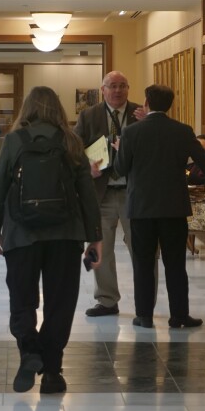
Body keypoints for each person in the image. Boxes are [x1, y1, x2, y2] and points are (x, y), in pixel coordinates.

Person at [0, 86, 102, 395]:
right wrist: (95, 238)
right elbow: (87, 194)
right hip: (65, 235)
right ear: (58, 109)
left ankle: (30, 351)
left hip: (21, 235)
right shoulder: (71, 141)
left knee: (22, 298)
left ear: (27, 109)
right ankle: (53, 372)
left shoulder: (13, 141)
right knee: (60, 303)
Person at [114, 85, 205, 329]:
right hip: (174, 207)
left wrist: (118, 151)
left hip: (142, 208)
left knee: (143, 263)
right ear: (170, 105)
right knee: (175, 263)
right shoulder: (183, 131)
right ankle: (179, 316)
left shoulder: (131, 133)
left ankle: (144, 315)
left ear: (146, 103)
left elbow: (120, 169)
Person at [73, 70, 145, 317]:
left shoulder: (140, 115)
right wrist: (86, 167)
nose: (117, 91)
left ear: (129, 88)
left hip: (133, 194)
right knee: (101, 248)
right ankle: (106, 301)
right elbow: (73, 149)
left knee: (141, 249)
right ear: (102, 89)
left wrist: (150, 121)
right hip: (100, 194)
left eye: (122, 86)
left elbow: (155, 147)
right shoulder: (88, 115)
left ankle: (144, 304)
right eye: (112, 86)